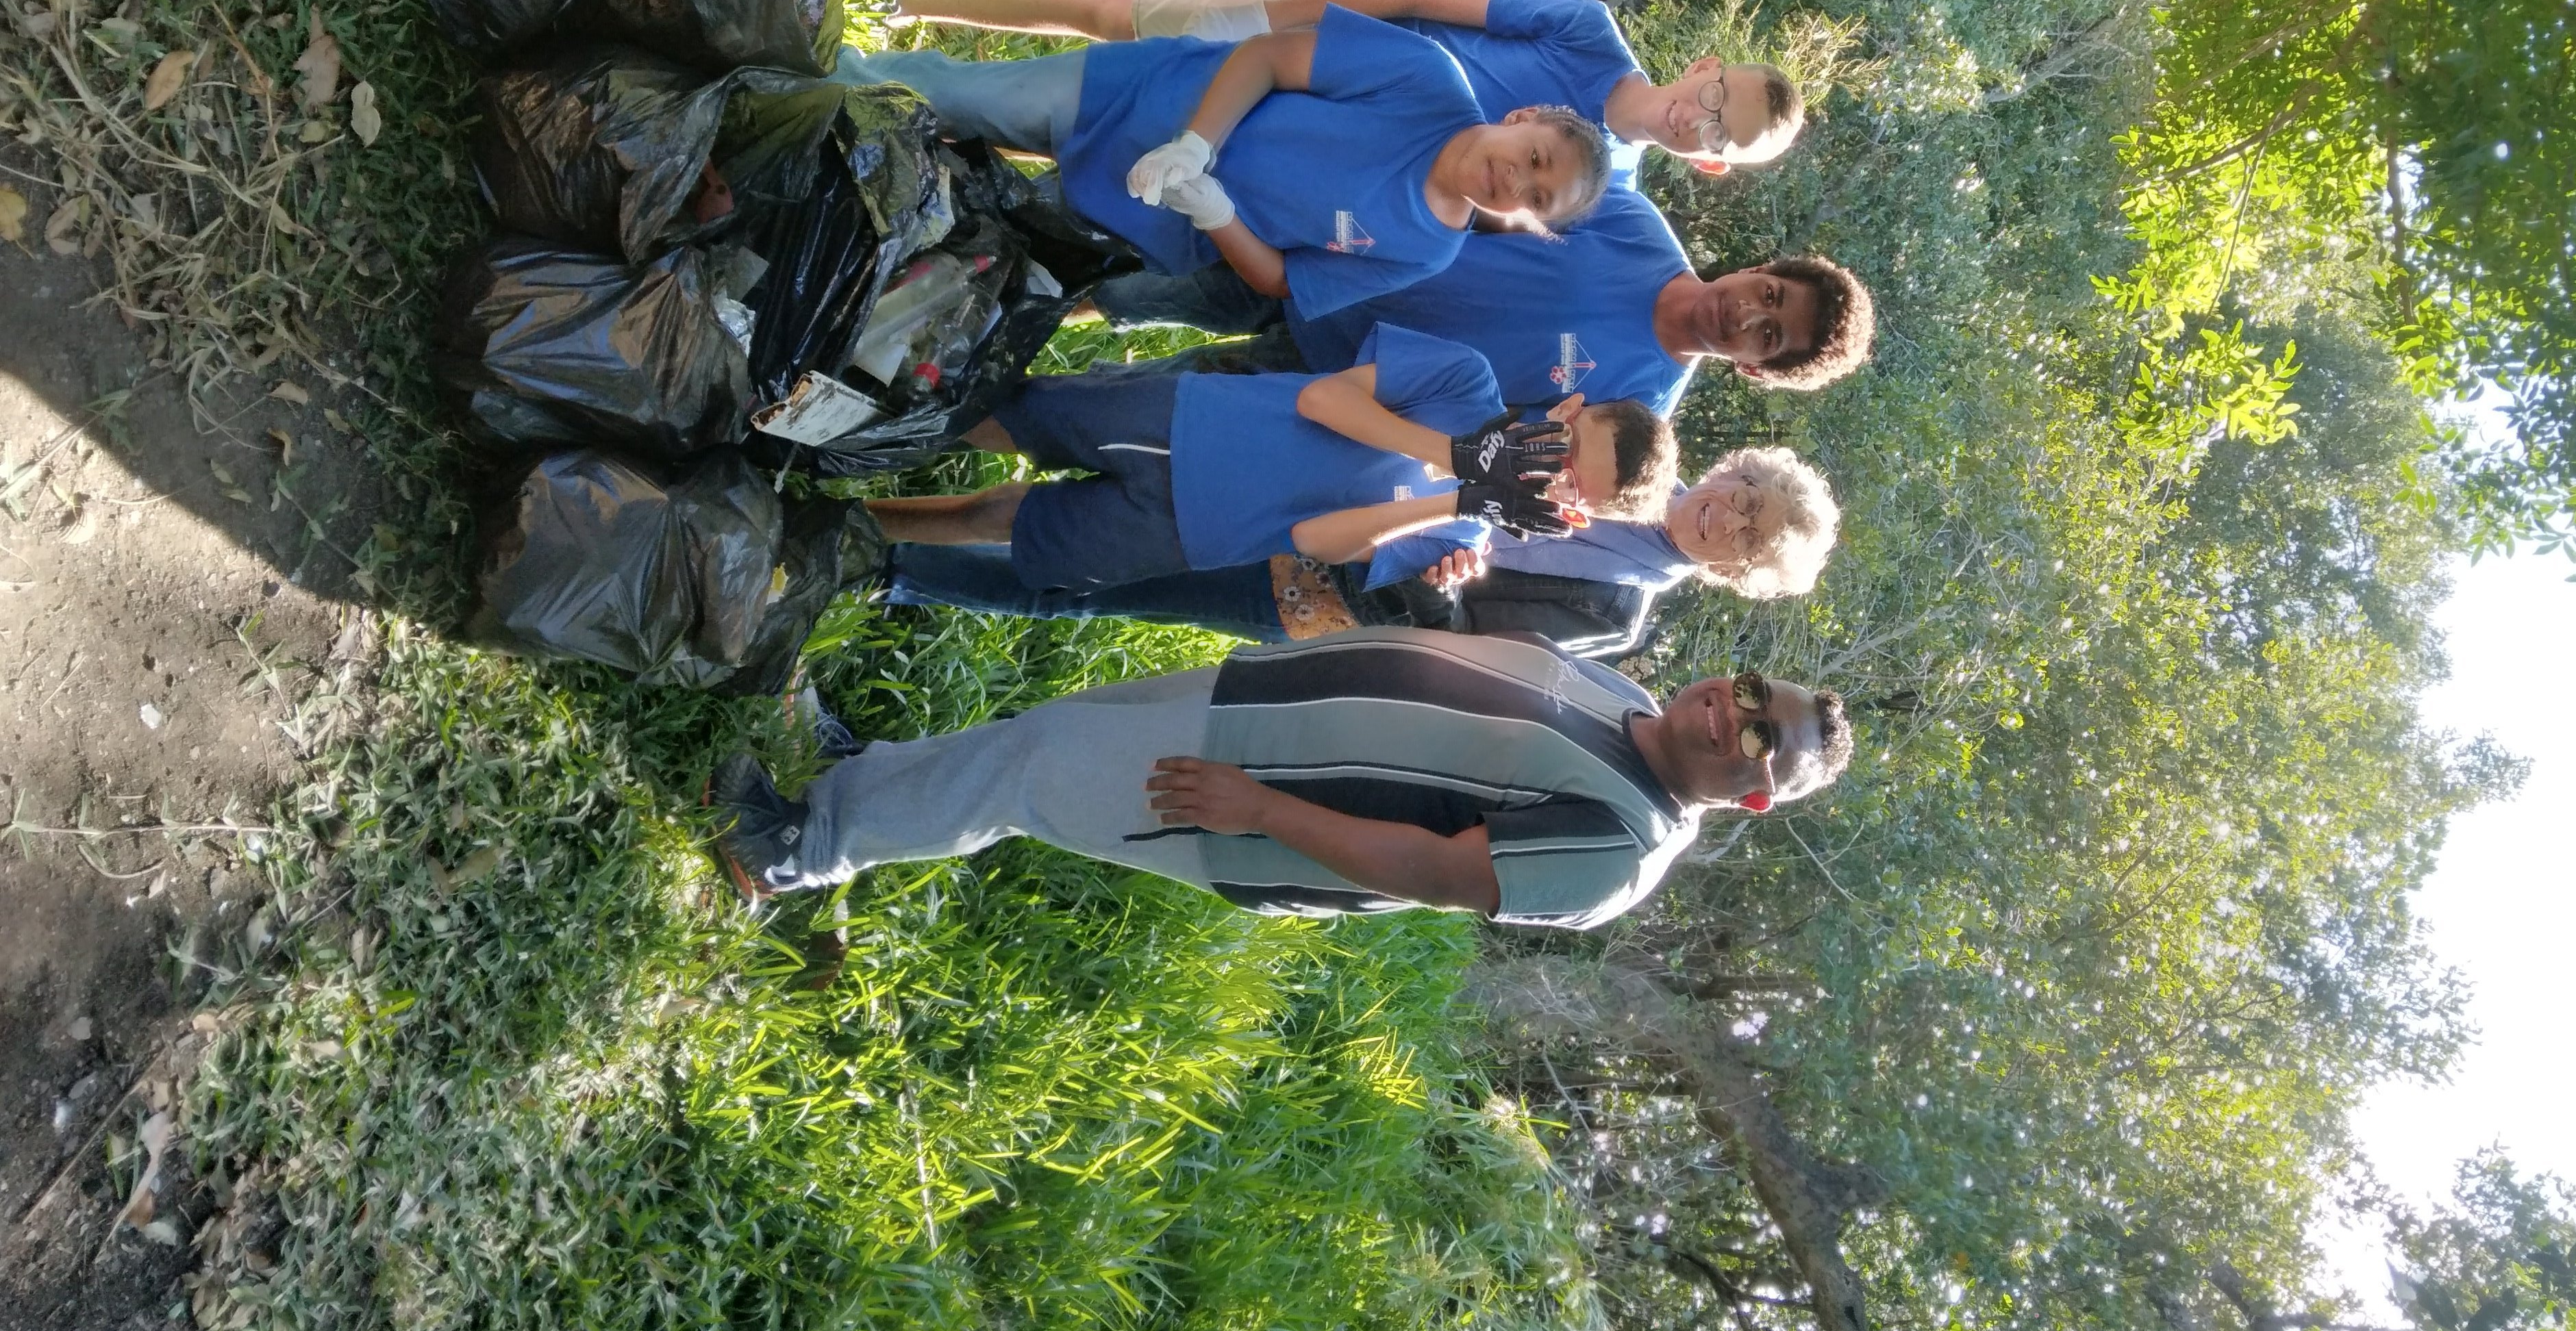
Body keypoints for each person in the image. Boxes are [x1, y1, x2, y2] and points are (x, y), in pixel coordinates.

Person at [712, 631, 1851, 929]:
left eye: (1762, 739)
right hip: (1255, 701)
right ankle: (865, 782)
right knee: (1046, 735)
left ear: (1754, 795)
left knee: (1033, 776)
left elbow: (1435, 871)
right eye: (1756, 691)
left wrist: (1262, 809)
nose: (1736, 710)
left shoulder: (1623, 848)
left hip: (1246, 797)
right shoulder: (1628, 698)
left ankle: (796, 850)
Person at [831, 5, 1611, 317]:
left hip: (1138, 218)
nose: (1517, 180)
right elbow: (1268, 56)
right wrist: (1195, 144)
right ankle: (812, 80)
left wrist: (1216, 214)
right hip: (1137, 95)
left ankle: (808, 178)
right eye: (1534, 156)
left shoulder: (1427, 249)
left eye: (1537, 197)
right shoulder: (1427, 77)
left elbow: (1282, 279)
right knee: (953, 98)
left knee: (935, 232)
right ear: (1522, 119)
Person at [861, 334, 1671, 594]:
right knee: (1001, 420)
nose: (1557, 471)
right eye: (1572, 447)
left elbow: (1315, 540)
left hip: (1189, 533)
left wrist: (1459, 500)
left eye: (1574, 486)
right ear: (1569, 409)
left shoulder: (1460, 539)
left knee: (1000, 522)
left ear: (1573, 515)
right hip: (1186, 424)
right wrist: (1457, 455)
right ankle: (850, 424)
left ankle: (852, 522)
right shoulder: (1466, 377)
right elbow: (1322, 401)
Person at [881, 439, 1840, 658]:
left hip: (1325, 593)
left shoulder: (1615, 614)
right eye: (1744, 500)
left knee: (1095, 587)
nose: (1726, 519)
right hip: (1326, 484)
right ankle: (886, 505)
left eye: (1746, 539)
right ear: (1731, 470)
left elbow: (1461, 651)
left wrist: (1447, 586)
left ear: (1732, 575)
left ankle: (882, 570)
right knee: (1102, 500)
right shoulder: (1629, 442)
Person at [893, 0, 1807, 173]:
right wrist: (1283, 14)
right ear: (1705, 66)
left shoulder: (1601, 192)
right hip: (1311, 37)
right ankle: (915, 2)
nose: (1698, 118)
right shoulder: (1585, 30)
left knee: (1094, 144)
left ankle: (918, 130)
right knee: (1116, 18)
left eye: (1721, 133)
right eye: (1716, 97)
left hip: (1309, 144)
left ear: (1712, 163)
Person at [1095, 184, 1875, 415]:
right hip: (1332, 268)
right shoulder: (1633, 224)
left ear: (1755, 369)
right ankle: (1037, 291)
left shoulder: (1635, 407)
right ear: (1758, 268)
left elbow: (1491, 435)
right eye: (1768, 294)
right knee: (1130, 288)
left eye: (1768, 335)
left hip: (1329, 383)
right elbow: (1489, 202)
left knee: (1150, 398)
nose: (1746, 314)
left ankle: (1026, 403)